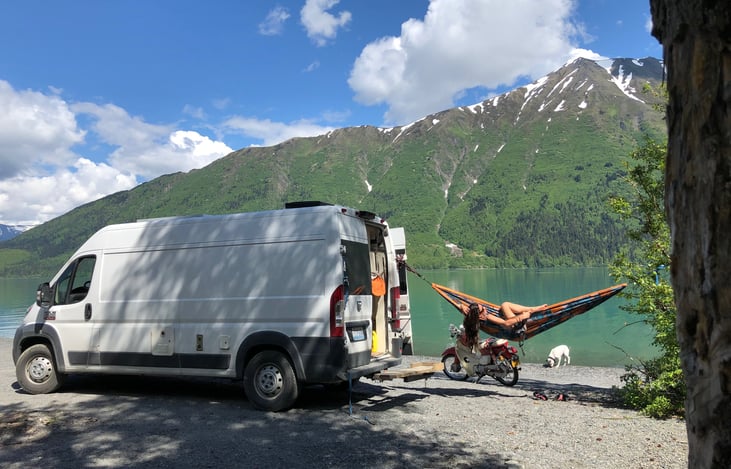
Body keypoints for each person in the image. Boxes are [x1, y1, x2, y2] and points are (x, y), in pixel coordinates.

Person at [460, 301, 547, 328]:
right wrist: (522, 316)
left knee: (504, 306)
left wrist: (462, 306)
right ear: (480, 315)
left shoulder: (472, 315)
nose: (485, 308)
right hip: (515, 325)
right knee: (505, 305)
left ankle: (532, 309)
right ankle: (532, 310)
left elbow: (456, 302)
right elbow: (506, 323)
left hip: (513, 320)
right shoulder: (488, 317)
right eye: (483, 309)